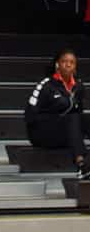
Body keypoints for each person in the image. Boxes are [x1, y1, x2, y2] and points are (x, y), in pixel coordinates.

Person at [25, 48, 90, 177]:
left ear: (75, 66)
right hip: (42, 134)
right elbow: (29, 115)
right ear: (57, 65)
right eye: (64, 61)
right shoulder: (46, 85)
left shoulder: (79, 86)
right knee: (72, 118)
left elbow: (79, 114)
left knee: (82, 118)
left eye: (72, 62)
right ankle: (81, 165)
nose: (68, 64)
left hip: (66, 132)